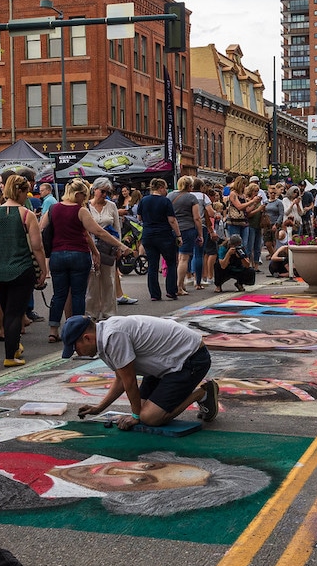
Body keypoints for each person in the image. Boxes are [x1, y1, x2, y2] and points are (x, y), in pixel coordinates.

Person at [63, 313, 220, 429]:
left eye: (75, 348)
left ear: (87, 338)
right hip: (164, 363)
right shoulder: (103, 338)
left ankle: (202, 392)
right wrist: (99, 408)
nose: (77, 353)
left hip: (190, 359)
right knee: (141, 408)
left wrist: (136, 416)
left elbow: (130, 381)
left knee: (149, 417)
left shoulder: (113, 336)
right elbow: (121, 379)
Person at [0, 174, 49, 368]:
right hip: (22, 269)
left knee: (6, 308)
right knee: (14, 313)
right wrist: (43, 270)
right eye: (26, 191)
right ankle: (11, 355)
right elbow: (37, 246)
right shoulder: (27, 215)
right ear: (19, 191)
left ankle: (15, 346)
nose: (27, 195)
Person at [44, 178, 128, 340]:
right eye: (84, 195)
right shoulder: (80, 211)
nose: (85, 199)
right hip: (78, 254)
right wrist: (121, 246)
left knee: (59, 295)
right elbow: (98, 232)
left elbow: (42, 228)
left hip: (57, 255)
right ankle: (78, 329)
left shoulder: (53, 209)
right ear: (77, 194)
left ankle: (53, 330)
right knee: (78, 294)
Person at [137, 178, 181, 302]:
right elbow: (172, 220)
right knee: (171, 263)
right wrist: (178, 235)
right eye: (165, 188)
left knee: (152, 265)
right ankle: (171, 291)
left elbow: (139, 217)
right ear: (161, 187)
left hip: (148, 235)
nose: (166, 191)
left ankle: (155, 294)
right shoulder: (165, 201)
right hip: (164, 235)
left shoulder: (143, 200)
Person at [86, 178, 122, 321]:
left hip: (108, 248)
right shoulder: (86, 206)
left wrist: (118, 246)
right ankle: (91, 313)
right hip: (91, 247)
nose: (104, 195)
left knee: (109, 280)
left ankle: (109, 313)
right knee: (92, 282)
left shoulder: (112, 206)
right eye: (102, 191)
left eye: (107, 192)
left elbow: (117, 227)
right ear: (94, 190)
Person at [169, 176, 204, 293]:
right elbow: (197, 218)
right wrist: (200, 234)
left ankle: (178, 284)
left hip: (173, 229)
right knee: (184, 258)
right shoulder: (191, 198)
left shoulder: (170, 196)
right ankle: (179, 286)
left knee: (175, 259)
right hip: (187, 229)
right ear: (190, 186)